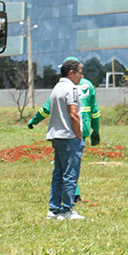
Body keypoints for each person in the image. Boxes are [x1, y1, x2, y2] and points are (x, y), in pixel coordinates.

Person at [28, 55, 100, 203]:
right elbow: (95, 111)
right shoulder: (88, 85)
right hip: (83, 127)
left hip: (68, 130)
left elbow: (47, 109)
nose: (81, 75)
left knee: (64, 167)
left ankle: (69, 200)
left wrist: (34, 120)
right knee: (71, 164)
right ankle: (69, 200)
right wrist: (96, 130)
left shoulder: (62, 87)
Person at [44, 59, 85, 220]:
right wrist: (79, 135)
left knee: (58, 174)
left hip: (56, 136)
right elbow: (73, 114)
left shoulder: (56, 88)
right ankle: (67, 209)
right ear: (71, 73)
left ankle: (54, 209)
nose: (81, 76)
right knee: (70, 174)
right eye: (79, 72)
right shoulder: (71, 89)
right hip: (69, 136)